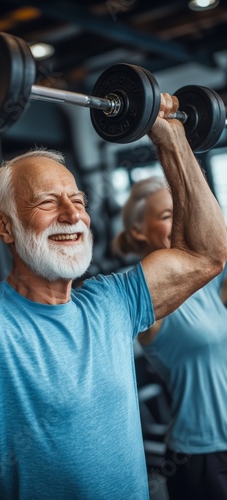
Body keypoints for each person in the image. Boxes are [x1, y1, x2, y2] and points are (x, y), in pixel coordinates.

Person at [0, 40, 226, 500]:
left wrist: (171, 139)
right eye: (48, 202)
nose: (72, 215)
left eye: (79, 201)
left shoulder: (114, 301)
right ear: (4, 227)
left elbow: (205, 255)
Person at [112, 175, 227, 500]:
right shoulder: (143, 295)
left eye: (181, 212)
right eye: (166, 216)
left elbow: (217, 242)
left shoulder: (206, 281)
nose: (180, 222)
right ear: (138, 231)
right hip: (200, 454)